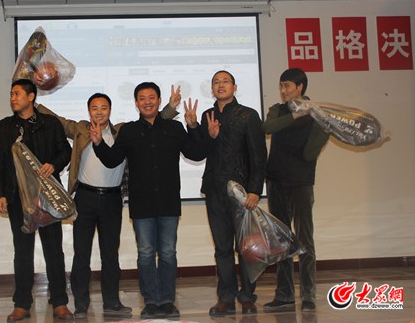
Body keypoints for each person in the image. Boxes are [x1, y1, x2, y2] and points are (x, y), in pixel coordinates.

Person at [37, 86, 181, 319]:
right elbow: (59, 121)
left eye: (104, 108)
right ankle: (81, 303)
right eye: (94, 108)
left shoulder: (123, 131)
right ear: (89, 111)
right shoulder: (81, 129)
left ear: (110, 111)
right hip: (84, 198)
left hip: (112, 199)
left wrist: (171, 108)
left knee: (110, 254)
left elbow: (152, 119)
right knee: (81, 254)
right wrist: (34, 104)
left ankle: (112, 302)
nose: (99, 112)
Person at [89, 82, 205, 319]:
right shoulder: (129, 131)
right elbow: (112, 160)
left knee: (168, 253)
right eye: (142, 98)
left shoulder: (174, 127)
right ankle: (151, 301)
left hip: (168, 201)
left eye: (151, 97)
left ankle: (167, 301)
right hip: (141, 204)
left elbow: (196, 153)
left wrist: (193, 126)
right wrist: (99, 143)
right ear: (136, 103)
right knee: (145, 253)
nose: (147, 102)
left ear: (159, 101)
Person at [0, 78, 73, 322]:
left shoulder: (50, 123)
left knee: (54, 250)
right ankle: (22, 304)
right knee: (22, 252)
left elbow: (66, 151)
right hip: (17, 197)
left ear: (31, 97)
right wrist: (0, 193)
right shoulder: (5, 126)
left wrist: (53, 165)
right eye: (11, 94)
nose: (12, 98)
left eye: (17, 93)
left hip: (47, 198)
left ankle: (60, 302)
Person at [197, 70, 267, 317]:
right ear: (212, 89)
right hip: (214, 190)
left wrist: (255, 190)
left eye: (225, 81)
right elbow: (201, 150)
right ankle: (225, 297)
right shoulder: (207, 116)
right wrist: (197, 128)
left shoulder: (248, 115)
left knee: (245, 247)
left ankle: (247, 296)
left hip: (241, 192)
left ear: (235, 87)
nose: (220, 85)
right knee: (222, 248)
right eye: (216, 82)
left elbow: (258, 155)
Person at [262, 68, 329, 313]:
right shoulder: (277, 110)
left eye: (287, 86)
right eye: (281, 85)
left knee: (304, 240)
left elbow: (310, 154)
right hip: (276, 180)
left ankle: (308, 295)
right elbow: (267, 128)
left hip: (301, 182)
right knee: (281, 241)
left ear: (300, 87)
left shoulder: (317, 114)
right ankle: (285, 295)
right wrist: (295, 116)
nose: (283, 90)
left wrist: (325, 130)